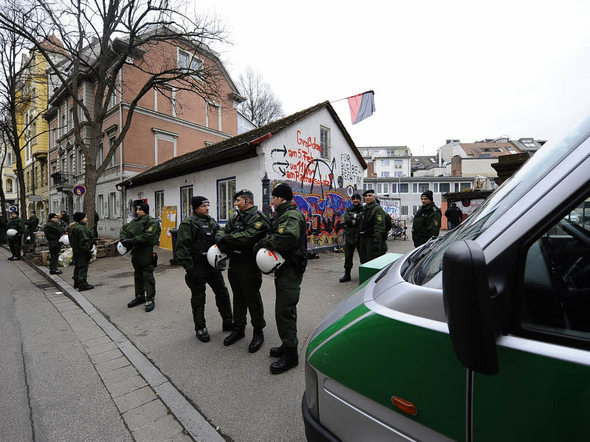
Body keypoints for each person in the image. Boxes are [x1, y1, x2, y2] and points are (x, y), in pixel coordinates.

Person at [256, 183, 307, 374]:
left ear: (281, 198)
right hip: (284, 267)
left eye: (274, 197)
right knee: (282, 309)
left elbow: (288, 238)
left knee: (285, 310)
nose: (272, 200)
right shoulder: (283, 215)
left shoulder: (291, 216)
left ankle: (291, 355)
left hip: (291, 268)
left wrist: (266, 242)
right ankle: (287, 344)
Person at [217, 189, 270, 352]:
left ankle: (258, 331)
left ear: (247, 201)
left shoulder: (258, 218)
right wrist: (225, 237)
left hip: (250, 265)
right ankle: (239, 329)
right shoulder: (235, 217)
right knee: (238, 298)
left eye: (238, 200)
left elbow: (248, 237)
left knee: (252, 298)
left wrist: (228, 238)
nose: (235, 203)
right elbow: (221, 232)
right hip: (235, 263)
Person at [175, 196, 233, 343]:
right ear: (195, 208)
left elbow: (219, 233)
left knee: (222, 292)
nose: (207, 208)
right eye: (203, 206)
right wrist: (190, 268)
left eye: (208, 205)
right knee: (199, 298)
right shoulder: (189, 223)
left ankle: (228, 321)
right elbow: (182, 249)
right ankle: (200, 327)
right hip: (197, 267)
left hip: (212, 267)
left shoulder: (211, 221)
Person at [120, 202, 161, 313]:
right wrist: (123, 239)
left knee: (147, 275)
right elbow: (124, 230)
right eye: (137, 209)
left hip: (145, 251)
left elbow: (147, 236)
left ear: (145, 210)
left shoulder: (152, 222)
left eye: (140, 210)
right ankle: (139, 296)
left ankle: (150, 298)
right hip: (135, 252)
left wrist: (131, 240)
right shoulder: (134, 222)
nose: (138, 211)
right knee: (137, 274)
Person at [358, 189, 387, 264]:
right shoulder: (364, 209)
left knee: (371, 261)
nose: (367, 197)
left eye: (370, 196)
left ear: (374, 197)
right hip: (363, 239)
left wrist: (376, 242)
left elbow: (379, 226)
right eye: (366, 196)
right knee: (363, 260)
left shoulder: (377, 209)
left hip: (371, 239)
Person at [339, 193, 362, 282]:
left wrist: (354, 219)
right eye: (354, 199)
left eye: (357, 199)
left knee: (363, 258)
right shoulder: (348, 210)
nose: (355, 200)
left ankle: (364, 275)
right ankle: (347, 275)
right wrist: (356, 219)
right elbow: (347, 220)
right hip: (349, 237)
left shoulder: (363, 210)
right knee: (348, 257)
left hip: (360, 237)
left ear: (360, 200)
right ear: (352, 200)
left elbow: (362, 221)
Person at [69, 212, 94, 291]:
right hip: (82, 251)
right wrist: (88, 252)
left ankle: (76, 282)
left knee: (77, 267)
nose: (87, 219)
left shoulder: (73, 227)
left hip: (76, 250)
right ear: (81, 219)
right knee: (83, 267)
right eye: (85, 217)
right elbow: (84, 242)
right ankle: (83, 284)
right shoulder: (81, 229)